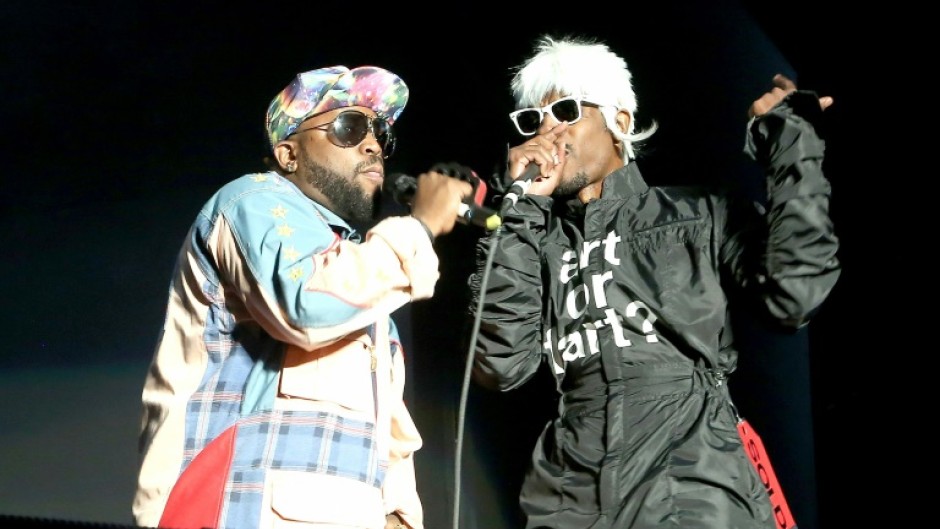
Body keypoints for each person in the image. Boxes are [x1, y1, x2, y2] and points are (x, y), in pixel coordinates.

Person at [466, 35, 840, 529]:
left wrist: (789, 144)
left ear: (620, 121)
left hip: (691, 478)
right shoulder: (535, 240)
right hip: (571, 491)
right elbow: (500, 364)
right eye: (534, 121)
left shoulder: (696, 212)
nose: (549, 132)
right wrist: (521, 212)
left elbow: (794, 292)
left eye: (567, 110)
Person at [133, 65, 472, 529]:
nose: (373, 144)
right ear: (289, 153)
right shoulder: (252, 202)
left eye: (380, 135)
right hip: (233, 510)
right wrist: (420, 226)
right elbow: (305, 306)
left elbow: (388, 437)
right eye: (349, 128)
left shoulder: (364, 279)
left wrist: (398, 514)